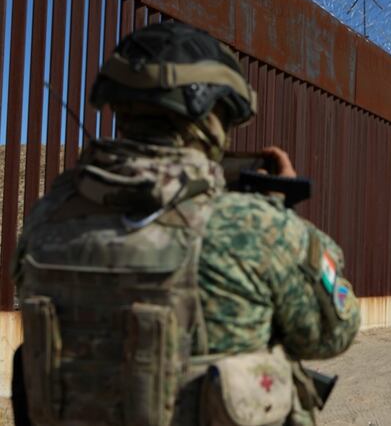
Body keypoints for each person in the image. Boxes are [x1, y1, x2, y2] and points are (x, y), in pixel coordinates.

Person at [11, 22, 359, 425]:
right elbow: (333, 331)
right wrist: (281, 218)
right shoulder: (256, 228)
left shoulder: (47, 217)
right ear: (212, 112)